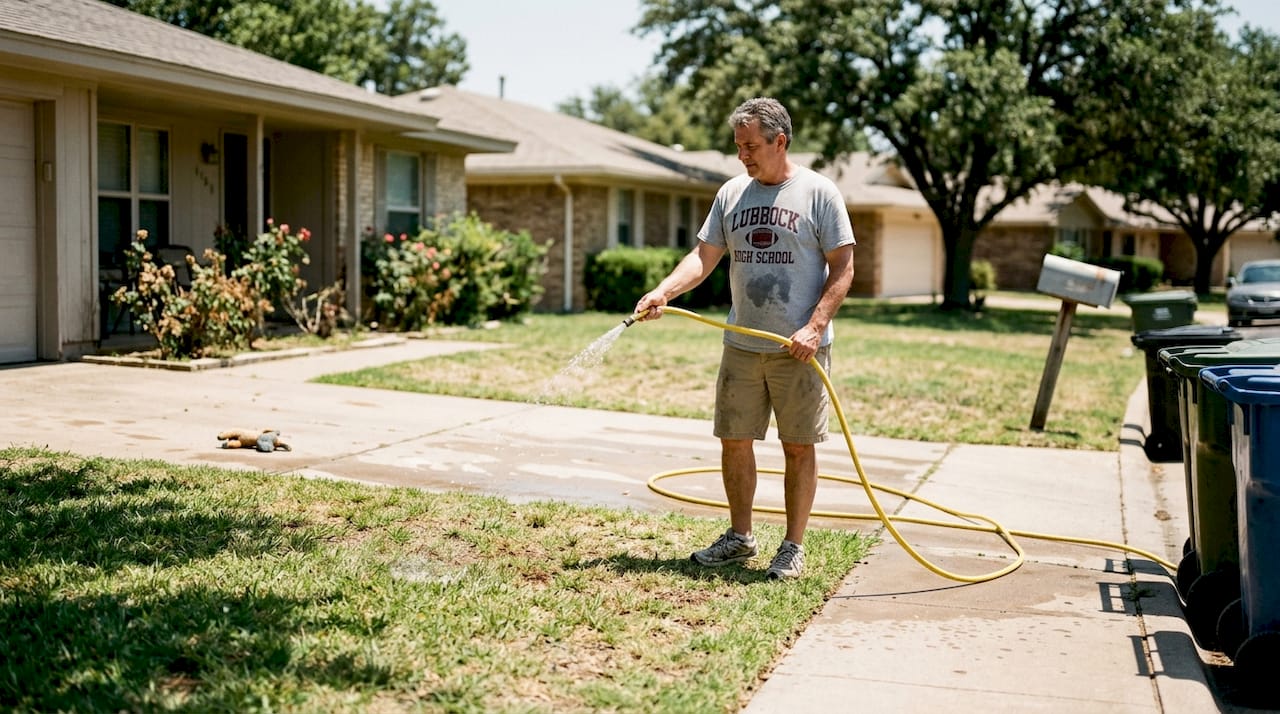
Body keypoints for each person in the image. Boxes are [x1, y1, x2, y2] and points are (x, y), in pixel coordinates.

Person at [633, 97, 856, 580]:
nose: (742, 156)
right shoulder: (732, 194)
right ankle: (740, 537)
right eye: (738, 146)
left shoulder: (819, 193)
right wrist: (663, 291)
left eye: (751, 145)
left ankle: (793, 546)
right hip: (742, 344)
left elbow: (843, 267)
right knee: (734, 440)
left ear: (780, 141)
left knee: (798, 445)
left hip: (799, 350)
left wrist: (814, 327)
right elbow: (704, 256)